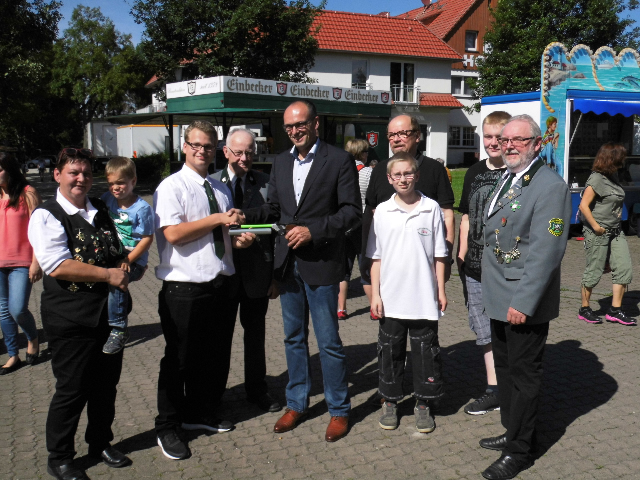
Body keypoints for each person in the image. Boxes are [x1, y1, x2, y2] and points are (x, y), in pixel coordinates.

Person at [246, 100, 361, 443]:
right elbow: (275, 209)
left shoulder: (337, 159)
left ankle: (339, 409)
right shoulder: (281, 162)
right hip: (288, 265)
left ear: (315, 123)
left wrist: (314, 230)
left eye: (300, 124)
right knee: (293, 338)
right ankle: (296, 403)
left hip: (321, 263)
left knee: (328, 342)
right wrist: (245, 215)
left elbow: (352, 211)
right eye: (289, 127)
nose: (295, 131)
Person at [28, 147, 132, 480]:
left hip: (109, 317)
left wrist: (125, 262)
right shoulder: (47, 215)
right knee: (72, 390)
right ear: (57, 175)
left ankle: (100, 443)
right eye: (74, 172)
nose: (81, 178)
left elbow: (116, 247)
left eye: (86, 172)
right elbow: (57, 265)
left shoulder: (100, 207)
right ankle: (60, 457)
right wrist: (108, 275)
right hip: (71, 318)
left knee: (105, 386)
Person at [153, 120, 254, 461]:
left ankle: (199, 412)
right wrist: (217, 220)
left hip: (220, 283)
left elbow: (220, 237)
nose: (202, 151)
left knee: (212, 357)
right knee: (179, 360)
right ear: (184, 146)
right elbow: (173, 235)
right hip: (185, 288)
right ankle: (167, 425)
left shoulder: (220, 188)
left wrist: (239, 239)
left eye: (208, 146)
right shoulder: (171, 186)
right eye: (196, 145)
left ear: (216, 150)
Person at [479, 115, 571, 480]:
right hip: (499, 294)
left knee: (523, 377)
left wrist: (524, 302)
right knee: (505, 371)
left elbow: (547, 252)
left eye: (518, 139)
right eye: (505, 140)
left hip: (521, 300)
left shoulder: (549, 186)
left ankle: (520, 451)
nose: (509, 145)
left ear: (536, 143)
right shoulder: (509, 177)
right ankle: (512, 430)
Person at [368, 152, 448, 434]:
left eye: (408, 173)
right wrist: (375, 295)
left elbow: (439, 254)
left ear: (417, 175)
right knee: (390, 350)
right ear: (389, 179)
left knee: (426, 351)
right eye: (397, 175)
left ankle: (423, 402)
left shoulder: (431, 208)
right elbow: (376, 257)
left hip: (423, 296)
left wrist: (440, 289)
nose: (403, 179)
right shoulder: (382, 211)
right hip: (391, 297)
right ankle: (390, 400)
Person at [212, 127, 281, 413]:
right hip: (223, 275)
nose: (244, 158)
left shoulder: (265, 183)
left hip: (256, 273)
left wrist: (275, 276)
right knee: (219, 338)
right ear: (226, 152)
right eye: (238, 152)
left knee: (255, 337)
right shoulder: (211, 183)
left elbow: (276, 220)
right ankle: (215, 395)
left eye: (250, 152)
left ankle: (257, 390)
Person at [362, 114, 455, 321]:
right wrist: (366, 257)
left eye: (403, 133)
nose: (396, 139)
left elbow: (447, 215)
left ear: (417, 136)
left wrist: (446, 258)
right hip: (390, 270)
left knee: (424, 328)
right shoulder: (380, 171)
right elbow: (371, 214)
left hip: (423, 269)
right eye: (391, 135)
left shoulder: (434, 170)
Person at [456, 111, 511, 416]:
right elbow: (465, 217)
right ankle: (494, 390)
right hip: (475, 268)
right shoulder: (474, 172)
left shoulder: (518, 173)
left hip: (506, 269)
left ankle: (512, 386)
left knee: (508, 328)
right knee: (483, 329)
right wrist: (461, 255)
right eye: (487, 136)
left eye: (498, 137)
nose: (492, 142)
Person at [100, 157, 154, 354]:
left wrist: (129, 260)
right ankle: (119, 308)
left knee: (117, 279)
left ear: (133, 181)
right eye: (111, 183)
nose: (115, 188)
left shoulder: (142, 208)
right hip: (114, 256)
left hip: (134, 259)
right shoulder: (107, 199)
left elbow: (147, 239)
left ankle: (119, 329)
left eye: (121, 183)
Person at [578, 143, 635, 325]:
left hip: (616, 231)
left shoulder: (614, 176)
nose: (624, 160)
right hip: (598, 232)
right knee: (594, 271)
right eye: (621, 156)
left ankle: (615, 311)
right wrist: (596, 227)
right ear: (612, 158)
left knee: (624, 269)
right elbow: (583, 206)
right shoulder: (596, 178)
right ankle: (584, 309)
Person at [0, 152, 42, 375]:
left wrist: (36, 262)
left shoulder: (28, 193)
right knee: (3, 311)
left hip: (21, 262)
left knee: (17, 309)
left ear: (9, 170)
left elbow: (39, 230)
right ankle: (12, 354)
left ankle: (32, 338)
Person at [338, 138, 371, 319]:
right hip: (363, 224)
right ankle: (374, 307)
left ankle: (341, 309)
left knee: (344, 269)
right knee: (366, 267)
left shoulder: (340, 172)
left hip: (344, 225)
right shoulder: (367, 173)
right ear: (362, 154)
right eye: (366, 151)